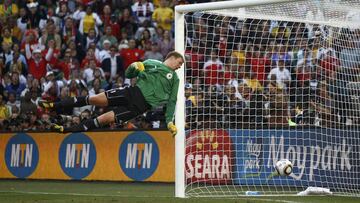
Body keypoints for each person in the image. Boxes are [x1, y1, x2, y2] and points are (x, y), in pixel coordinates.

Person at [38, 51, 184, 136]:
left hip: (140, 107)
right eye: (179, 62)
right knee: (93, 99)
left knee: (102, 120)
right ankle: (52, 105)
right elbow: (129, 73)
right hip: (132, 93)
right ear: (171, 58)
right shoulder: (153, 63)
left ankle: (65, 130)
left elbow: (172, 101)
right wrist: (134, 67)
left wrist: (170, 121)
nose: (180, 66)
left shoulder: (175, 79)